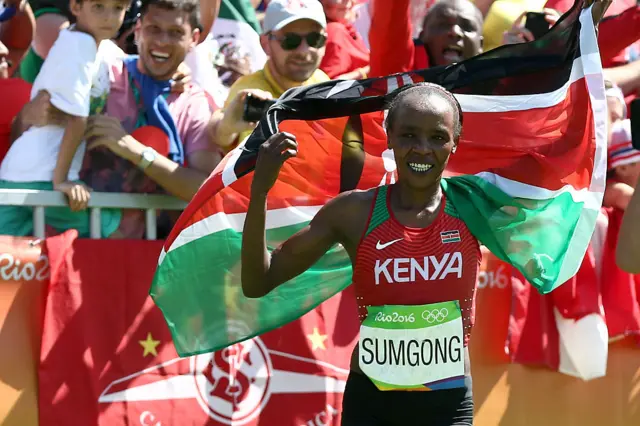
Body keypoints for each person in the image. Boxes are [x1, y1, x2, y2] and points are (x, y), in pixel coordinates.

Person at [242, 83, 476, 425]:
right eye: (409, 135)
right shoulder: (353, 212)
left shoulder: (474, 204)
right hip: (372, 402)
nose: (422, 149)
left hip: (448, 404)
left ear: (455, 142)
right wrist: (259, 192)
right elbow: (257, 281)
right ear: (389, 136)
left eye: (438, 137)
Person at [12, 0, 222, 239]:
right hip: (67, 241)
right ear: (138, 29)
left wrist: (134, 151)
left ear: (193, 38)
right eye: (154, 29)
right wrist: (28, 115)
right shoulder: (100, 68)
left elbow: (206, 188)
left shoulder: (194, 103)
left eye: (175, 33)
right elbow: (25, 130)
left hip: (144, 255)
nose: (162, 41)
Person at [0, 0, 129, 237]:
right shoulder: (80, 44)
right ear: (76, 7)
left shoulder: (92, 43)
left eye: (118, 8)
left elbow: (131, 64)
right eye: (98, 7)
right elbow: (77, 118)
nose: (108, 17)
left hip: (14, 174)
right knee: (115, 231)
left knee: (9, 269)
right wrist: (62, 180)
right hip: (41, 178)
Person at [211, 0, 330, 150]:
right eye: (291, 40)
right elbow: (223, 135)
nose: (304, 51)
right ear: (265, 43)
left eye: (315, 39)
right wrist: (225, 128)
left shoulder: (322, 82)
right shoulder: (250, 91)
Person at [368, 0, 483, 77]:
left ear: (481, 45)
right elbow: (392, 12)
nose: (454, 32)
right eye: (442, 25)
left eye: (467, 27)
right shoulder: (399, 75)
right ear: (422, 35)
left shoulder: (496, 92)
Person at [318, 0, 370, 80]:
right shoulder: (335, 31)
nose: (347, 1)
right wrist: (369, 70)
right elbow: (330, 85)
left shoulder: (344, 28)